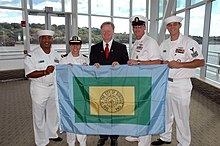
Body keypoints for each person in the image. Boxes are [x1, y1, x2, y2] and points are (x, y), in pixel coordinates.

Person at [151, 16, 205, 146]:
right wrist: (164, 63)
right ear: (167, 27)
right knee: (166, 113)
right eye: (170, 25)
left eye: (175, 24)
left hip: (181, 84)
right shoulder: (164, 44)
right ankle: (165, 137)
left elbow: (201, 62)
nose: (172, 27)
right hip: (165, 83)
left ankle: (184, 143)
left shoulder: (188, 43)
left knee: (181, 116)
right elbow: (160, 61)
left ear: (180, 26)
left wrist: (181, 65)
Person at [89, 21, 129, 146]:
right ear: (101, 32)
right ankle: (103, 136)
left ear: (113, 32)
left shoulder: (121, 47)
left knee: (115, 111)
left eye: (109, 31)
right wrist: (93, 66)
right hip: (100, 86)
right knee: (101, 110)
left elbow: (126, 65)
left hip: (116, 85)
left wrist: (119, 65)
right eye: (104, 31)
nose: (106, 33)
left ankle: (114, 137)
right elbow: (91, 66)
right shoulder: (94, 48)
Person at [125, 15, 161, 146]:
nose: (137, 29)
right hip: (137, 82)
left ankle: (144, 140)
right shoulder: (136, 43)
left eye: (140, 26)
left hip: (147, 82)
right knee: (138, 109)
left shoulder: (150, 42)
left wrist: (138, 62)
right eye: (135, 27)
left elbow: (158, 61)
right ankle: (138, 134)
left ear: (145, 27)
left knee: (145, 111)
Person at [24, 30, 62, 146]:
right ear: (39, 40)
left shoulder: (56, 54)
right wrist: (45, 71)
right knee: (39, 115)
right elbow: (29, 73)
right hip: (39, 88)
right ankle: (41, 141)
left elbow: (62, 69)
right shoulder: (32, 55)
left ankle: (52, 133)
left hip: (53, 87)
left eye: (49, 38)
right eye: (44, 38)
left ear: (52, 40)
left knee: (53, 112)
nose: (46, 40)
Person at [60, 35, 88, 146]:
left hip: (81, 94)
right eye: (72, 44)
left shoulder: (86, 59)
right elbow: (59, 77)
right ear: (70, 45)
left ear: (80, 46)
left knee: (82, 117)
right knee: (69, 117)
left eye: (77, 44)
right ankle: (71, 142)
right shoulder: (63, 59)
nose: (75, 46)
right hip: (68, 93)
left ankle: (82, 142)